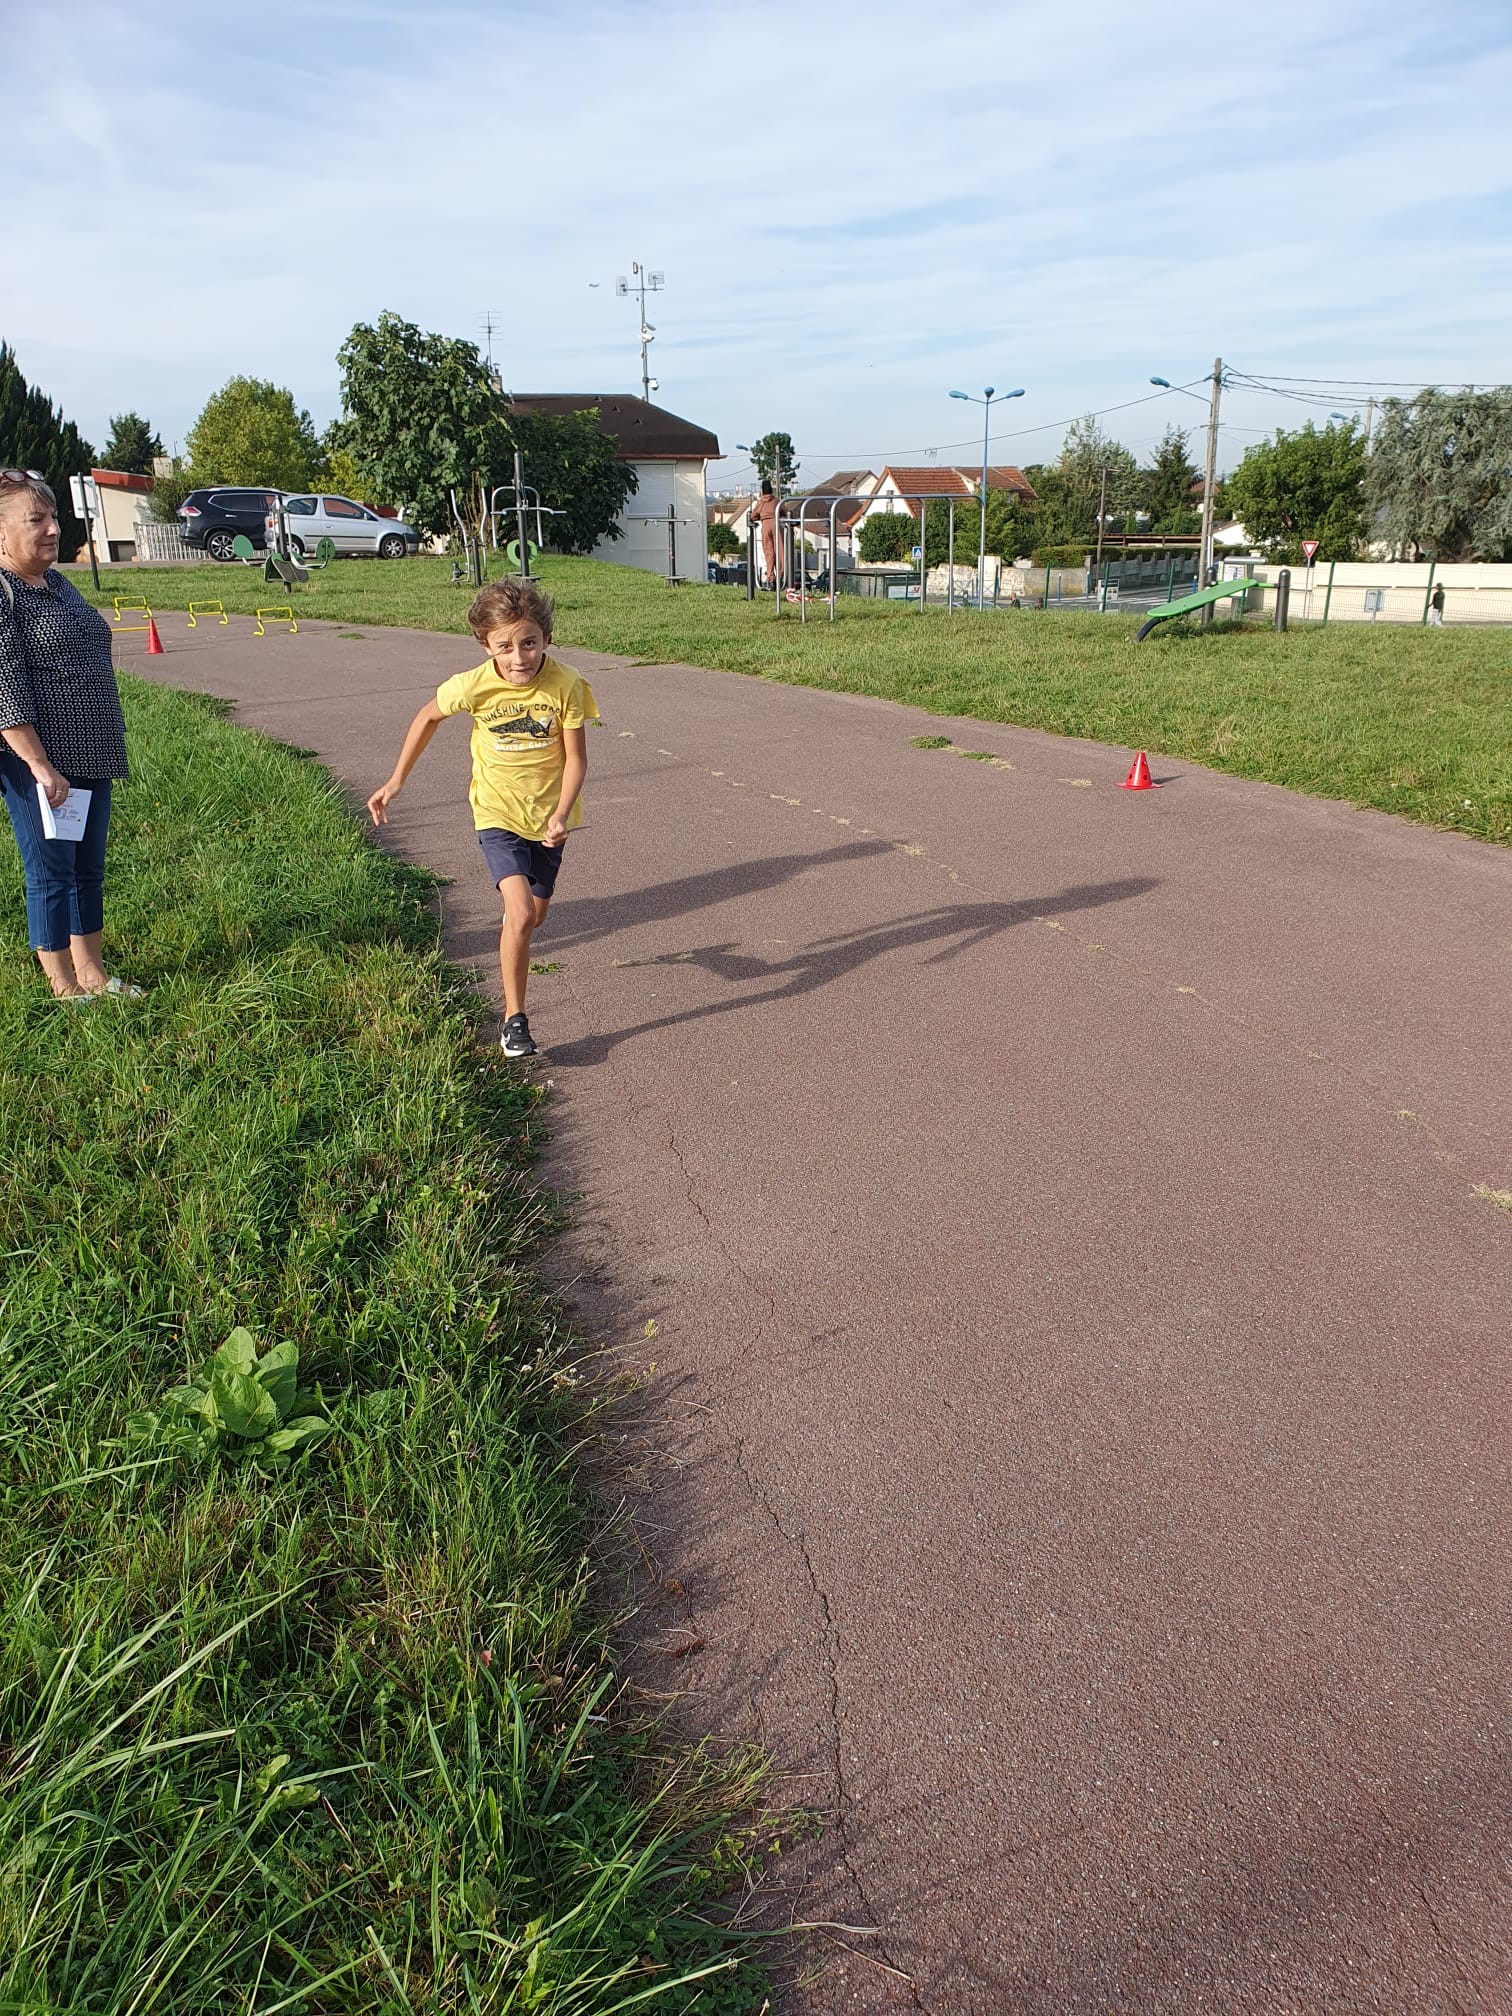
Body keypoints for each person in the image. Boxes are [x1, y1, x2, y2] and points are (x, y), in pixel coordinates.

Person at [367, 577, 597, 1059]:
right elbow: (428, 716)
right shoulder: (473, 685)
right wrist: (395, 780)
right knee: (516, 914)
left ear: (546, 639)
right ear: (486, 646)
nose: (519, 657)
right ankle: (515, 1021)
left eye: (529, 643)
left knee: (533, 916)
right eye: (505, 646)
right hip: (495, 813)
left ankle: (520, 942)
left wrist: (559, 815)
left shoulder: (567, 685)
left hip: (550, 820)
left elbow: (575, 759)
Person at [0, 470, 139, 1000]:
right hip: (39, 760)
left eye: (53, 517)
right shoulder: (4, 592)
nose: (53, 529)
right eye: (37, 520)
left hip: (91, 750)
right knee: (51, 871)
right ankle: (62, 983)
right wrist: (39, 765)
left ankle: (94, 974)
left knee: (87, 868)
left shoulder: (57, 582)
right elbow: (5, 686)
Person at [751, 479, 782, 587]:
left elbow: (753, 516)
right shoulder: (777, 500)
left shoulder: (761, 502)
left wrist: (760, 517)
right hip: (776, 525)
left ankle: (771, 577)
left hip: (765, 525)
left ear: (762, 490)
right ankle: (781, 575)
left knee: (769, 552)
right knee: (780, 551)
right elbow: (785, 511)